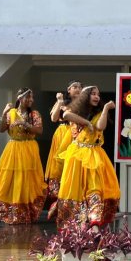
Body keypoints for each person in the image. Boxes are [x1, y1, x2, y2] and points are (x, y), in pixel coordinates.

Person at [56, 85, 120, 228]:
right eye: (93, 94)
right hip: (77, 156)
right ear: (85, 97)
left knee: (95, 189)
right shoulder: (75, 111)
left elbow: (101, 126)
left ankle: (94, 224)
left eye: (98, 94)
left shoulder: (99, 112)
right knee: (76, 190)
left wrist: (106, 109)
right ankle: (79, 225)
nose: (97, 97)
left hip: (94, 156)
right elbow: (65, 116)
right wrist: (86, 122)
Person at [0, 88, 47, 224]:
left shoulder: (34, 114)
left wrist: (24, 123)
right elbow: (1, 129)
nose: (31, 100)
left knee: (26, 179)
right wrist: (4, 114)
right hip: (13, 148)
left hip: (29, 148)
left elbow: (39, 130)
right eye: (28, 97)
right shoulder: (11, 113)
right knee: (7, 178)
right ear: (19, 98)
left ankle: (23, 213)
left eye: (32, 97)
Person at [44, 80, 83, 215]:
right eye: (74, 87)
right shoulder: (63, 102)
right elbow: (54, 118)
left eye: (80, 87)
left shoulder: (84, 104)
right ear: (68, 89)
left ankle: (73, 202)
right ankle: (60, 202)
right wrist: (60, 101)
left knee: (74, 167)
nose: (77, 89)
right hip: (63, 134)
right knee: (59, 166)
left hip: (77, 135)